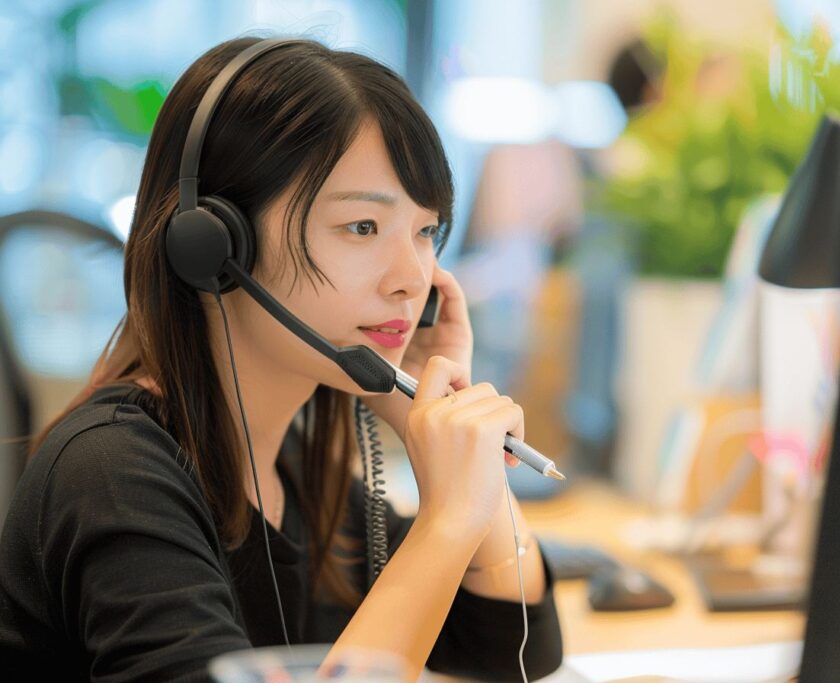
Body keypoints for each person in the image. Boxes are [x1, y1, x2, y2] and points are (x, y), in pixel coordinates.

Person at [0, 36, 562, 682]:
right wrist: (444, 521)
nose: (414, 277)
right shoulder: (113, 474)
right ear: (212, 244)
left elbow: (512, 646)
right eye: (362, 227)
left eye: (426, 231)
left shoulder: (291, 466)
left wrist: (434, 411)